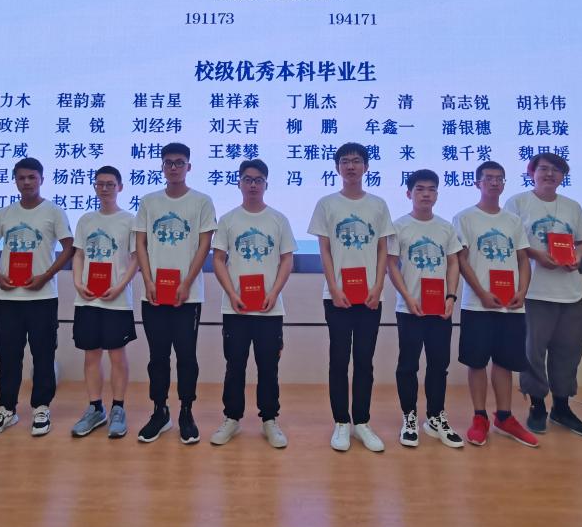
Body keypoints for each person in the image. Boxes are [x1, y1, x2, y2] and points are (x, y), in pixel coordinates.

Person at [308, 142, 394, 453]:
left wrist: (378, 286)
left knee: (364, 361)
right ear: (337, 168)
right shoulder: (326, 204)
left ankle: (362, 422)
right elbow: (324, 250)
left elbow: (383, 249)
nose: (351, 166)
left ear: (366, 167)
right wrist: (334, 287)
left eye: (356, 161)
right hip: (337, 296)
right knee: (339, 359)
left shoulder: (378, 205)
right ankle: (341, 422)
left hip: (370, 296)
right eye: (345, 161)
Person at [0, 157, 73, 438]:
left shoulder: (53, 212)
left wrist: (46, 275)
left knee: (43, 354)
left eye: (32, 177)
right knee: (8, 355)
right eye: (21, 178)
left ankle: (41, 407)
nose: (27, 182)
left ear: (41, 179)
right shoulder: (5, 213)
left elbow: (69, 247)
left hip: (42, 296)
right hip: (7, 298)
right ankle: (6, 408)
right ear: (15, 181)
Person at [504, 153, 582, 438]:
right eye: (543, 169)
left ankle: (562, 407)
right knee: (532, 352)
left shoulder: (572, 206)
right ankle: (537, 406)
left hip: (571, 293)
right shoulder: (517, 203)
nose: (549, 174)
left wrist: (578, 256)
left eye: (556, 170)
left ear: (563, 176)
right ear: (531, 172)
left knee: (569, 351)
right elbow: (511, 243)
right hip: (534, 292)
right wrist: (536, 254)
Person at [133, 143, 217, 444]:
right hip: (154, 294)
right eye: (168, 162)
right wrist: (147, 280)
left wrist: (187, 282)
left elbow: (205, 245)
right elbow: (140, 243)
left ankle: (186, 411)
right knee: (157, 356)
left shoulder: (202, 201)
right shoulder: (149, 201)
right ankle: (160, 411)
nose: (173, 167)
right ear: (162, 167)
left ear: (188, 167)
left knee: (186, 356)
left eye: (179, 162)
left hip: (187, 296)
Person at [210, 159, 296, 449]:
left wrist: (274, 291)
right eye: (247, 179)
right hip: (235, 308)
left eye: (258, 180)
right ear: (239, 183)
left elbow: (287, 259)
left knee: (268, 367)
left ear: (266, 184)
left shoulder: (278, 220)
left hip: (270, 309)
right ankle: (231, 418)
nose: (253, 185)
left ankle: (269, 420)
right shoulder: (228, 220)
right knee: (234, 365)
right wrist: (231, 293)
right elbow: (218, 259)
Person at [453, 161, 538, 448]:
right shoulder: (464, 217)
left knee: (505, 362)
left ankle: (504, 416)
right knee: (477, 361)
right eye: (488, 178)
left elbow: (523, 259)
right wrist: (481, 293)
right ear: (477, 182)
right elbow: (461, 260)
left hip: (510, 305)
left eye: (499, 178)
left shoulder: (512, 220)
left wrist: (522, 291)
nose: (494, 182)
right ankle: (479, 417)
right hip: (478, 305)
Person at [387, 169, 464, 449]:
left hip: (440, 309)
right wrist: (407, 297)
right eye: (420, 189)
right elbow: (391, 265)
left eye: (431, 189)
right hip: (410, 309)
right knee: (408, 365)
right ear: (409, 193)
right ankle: (409, 417)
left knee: (439, 365)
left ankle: (435, 417)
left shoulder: (445, 227)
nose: (426, 194)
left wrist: (451, 296)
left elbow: (454, 262)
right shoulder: (399, 226)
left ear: (437, 194)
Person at [71, 165, 140, 439]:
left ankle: (118, 408)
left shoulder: (130, 220)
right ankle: (95, 408)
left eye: (110, 184)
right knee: (91, 354)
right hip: (88, 299)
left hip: (117, 299)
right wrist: (78, 283)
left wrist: (120, 286)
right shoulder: (86, 220)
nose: (105, 188)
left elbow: (135, 259)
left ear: (120, 187)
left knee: (117, 355)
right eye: (100, 184)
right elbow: (78, 255)